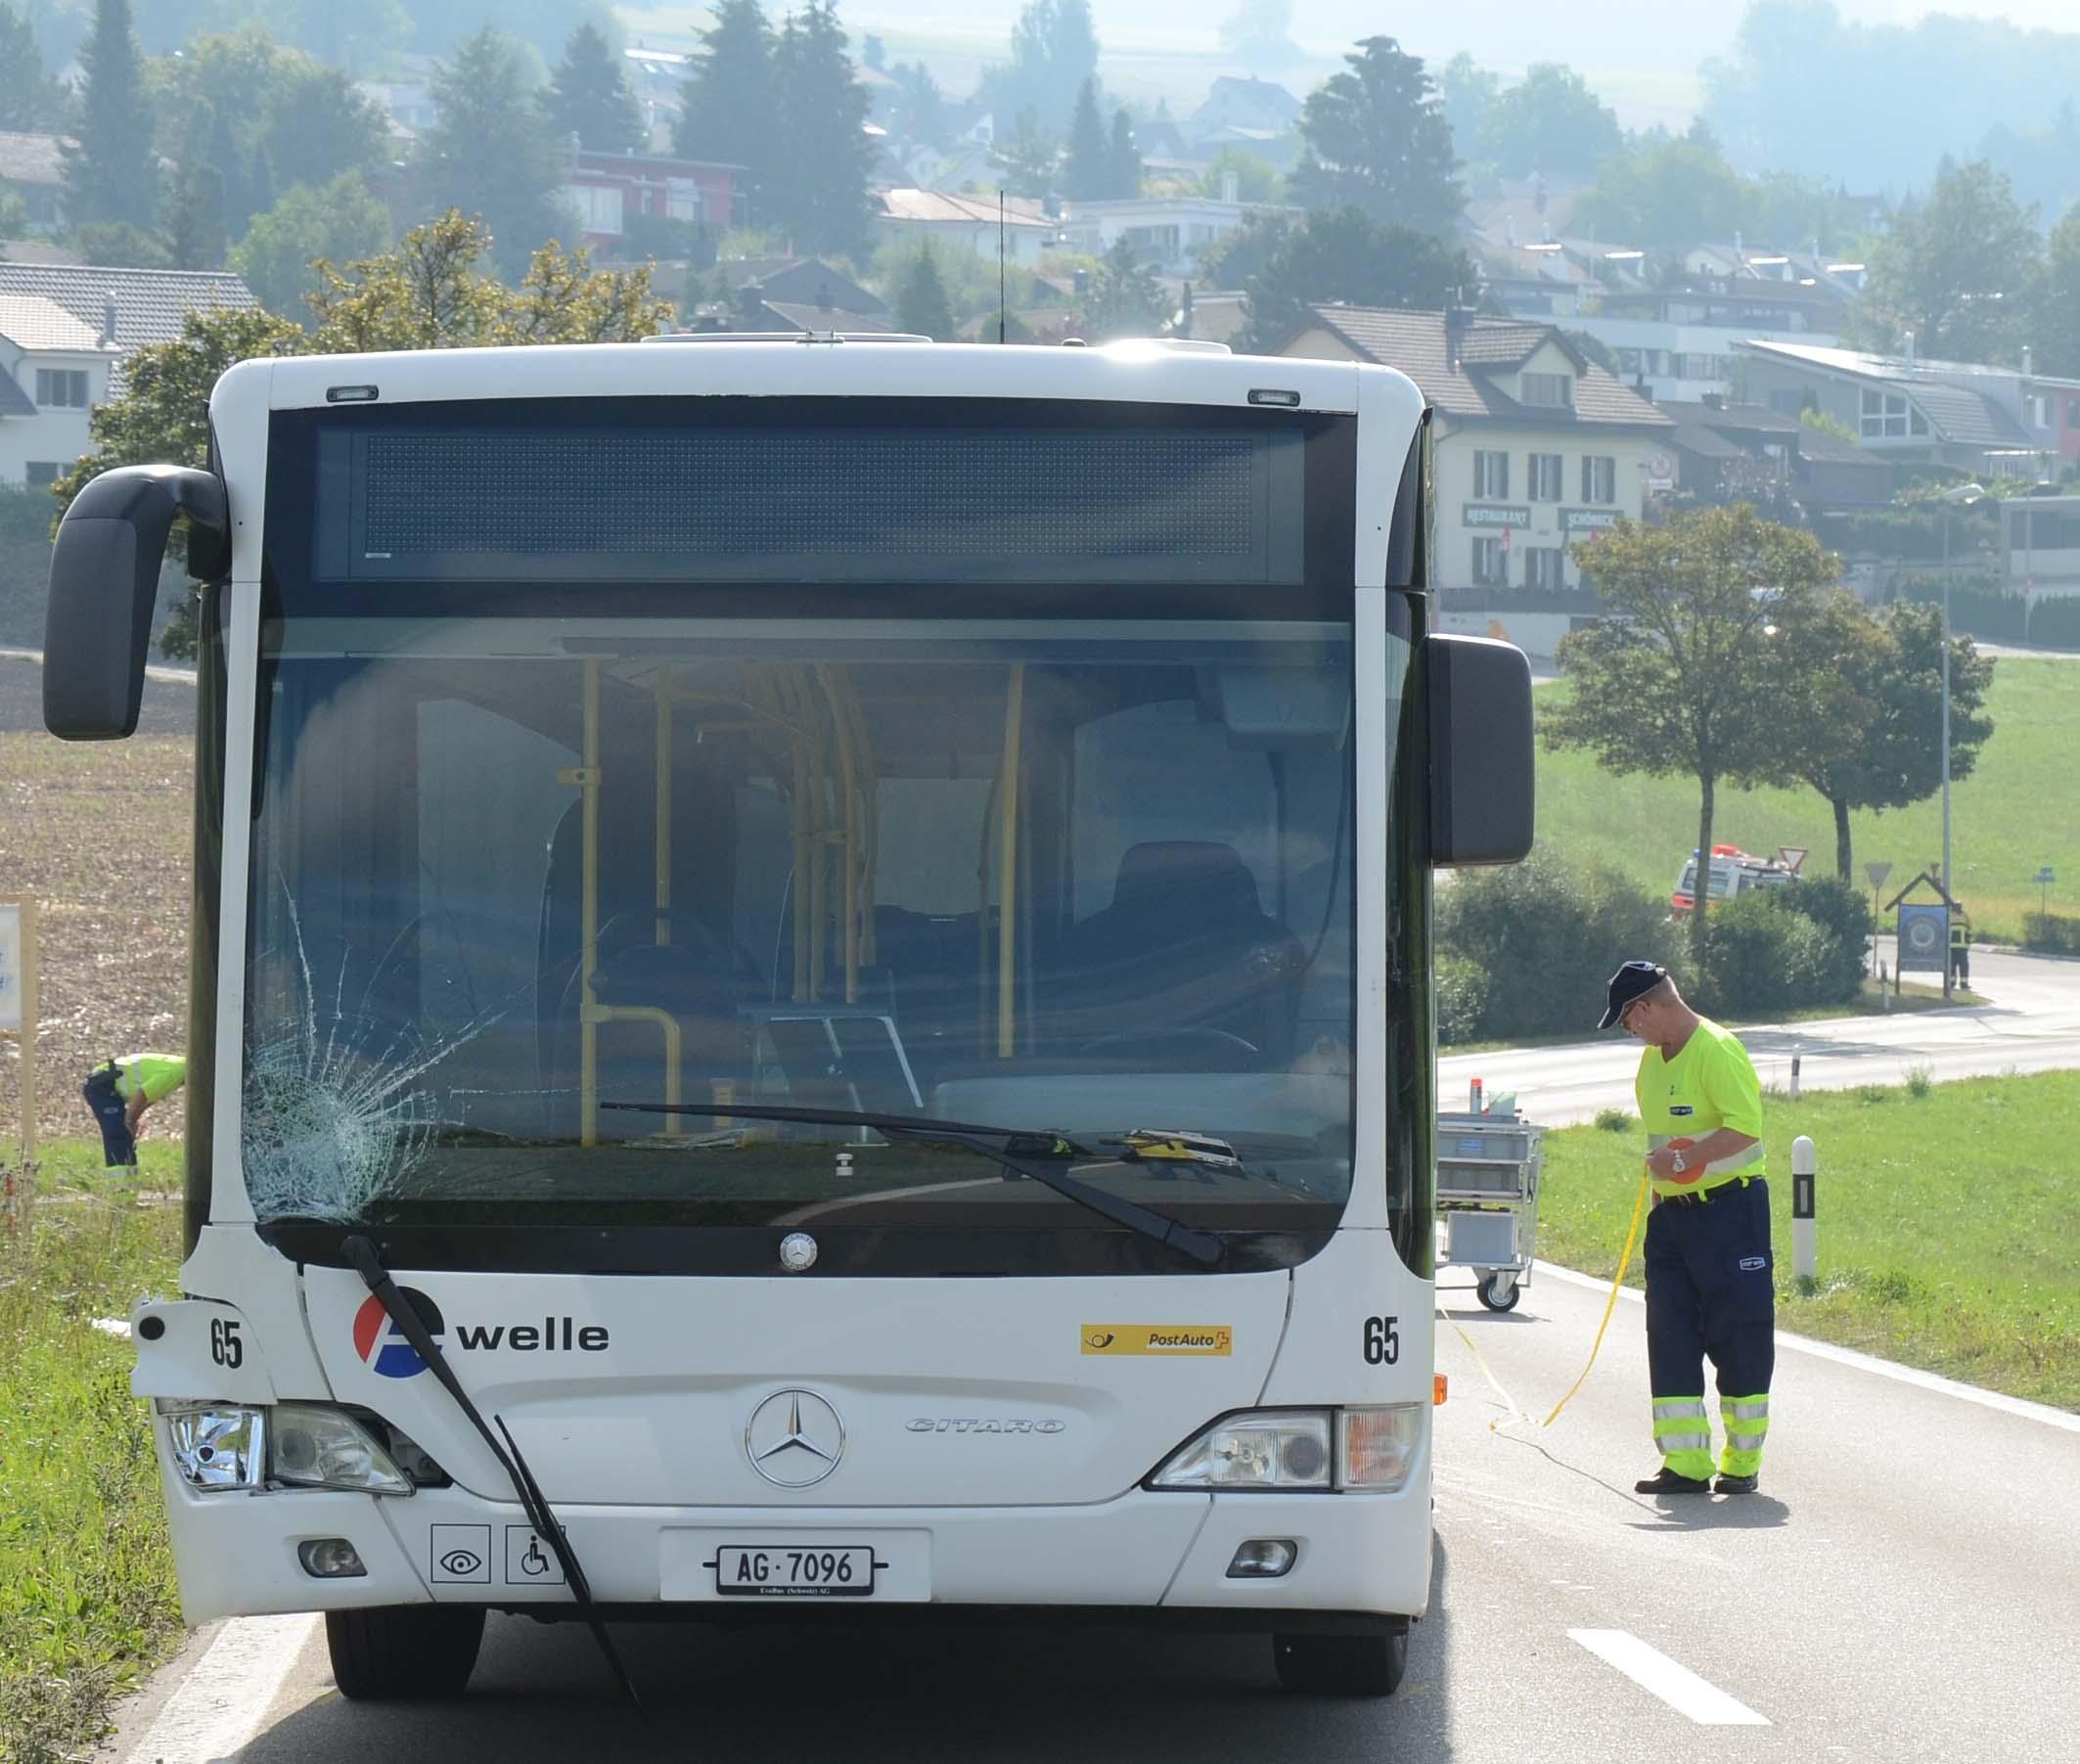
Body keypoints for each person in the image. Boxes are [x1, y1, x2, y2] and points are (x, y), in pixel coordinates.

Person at [1599, 963, 1772, 1496]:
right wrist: (1663, 1189)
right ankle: (1686, 1465)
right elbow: (1663, 1140)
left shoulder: (1717, 1051)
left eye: (1627, 1020)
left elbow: (1745, 1129)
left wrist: (1684, 1161)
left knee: (1737, 1335)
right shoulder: (1651, 1065)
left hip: (1730, 1214)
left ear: (1647, 1007)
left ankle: (1741, 1465)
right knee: (1669, 1335)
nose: (1629, 1032)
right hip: (1671, 1220)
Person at [80, 1052, 186, 1170]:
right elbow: (142, 1094)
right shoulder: (177, 1073)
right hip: (102, 1083)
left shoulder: (180, 1067)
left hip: (108, 1082)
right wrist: (129, 1121)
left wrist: (133, 1120)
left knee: (124, 1133)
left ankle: (128, 1178)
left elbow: (149, 1097)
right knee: (118, 1133)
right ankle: (120, 1182)